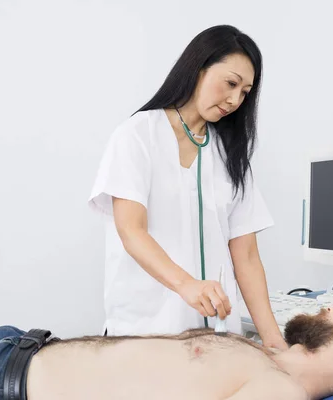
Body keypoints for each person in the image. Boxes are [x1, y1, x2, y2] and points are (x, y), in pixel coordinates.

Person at [87, 25, 286, 349]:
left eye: (245, 92)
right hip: (142, 333)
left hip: (216, 340)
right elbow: (132, 232)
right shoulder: (137, 135)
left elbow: (246, 257)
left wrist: (275, 341)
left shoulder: (229, 155)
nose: (235, 99)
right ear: (199, 67)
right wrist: (187, 285)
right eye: (231, 83)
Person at [0, 302, 333, 400]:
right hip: (13, 345)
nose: (330, 304)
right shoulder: (268, 359)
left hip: (1, 382)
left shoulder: (281, 392)